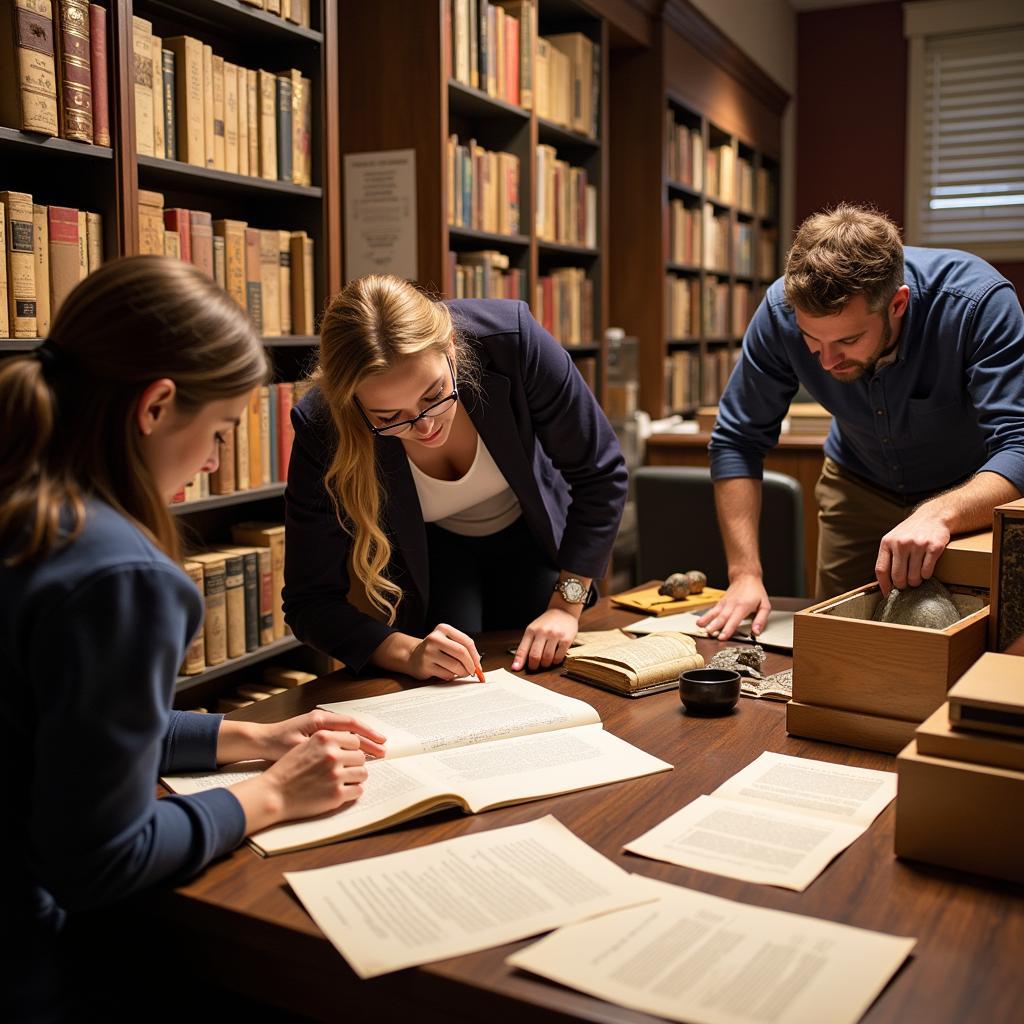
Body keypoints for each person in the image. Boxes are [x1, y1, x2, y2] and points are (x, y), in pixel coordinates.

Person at [0, 257, 386, 1022]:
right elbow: (100, 862)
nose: (213, 462)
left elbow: (57, 722)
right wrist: (272, 793)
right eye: (218, 432)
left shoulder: (25, 505)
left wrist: (249, 736)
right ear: (156, 406)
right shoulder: (120, 577)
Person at [698, 203, 1024, 641]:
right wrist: (743, 574)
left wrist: (940, 513)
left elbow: (1019, 446)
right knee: (837, 645)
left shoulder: (977, 304)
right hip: (857, 484)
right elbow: (736, 440)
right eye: (811, 340)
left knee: (966, 641)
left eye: (848, 340)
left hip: (971, 495)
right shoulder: (778, 311)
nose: (827, 361)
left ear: (897, 304)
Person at [283, 275, 628, 677]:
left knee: (549, 667)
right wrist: (405, 651)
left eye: (434, 396)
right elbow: (310, 602)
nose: (424, 427)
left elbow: (600, 473)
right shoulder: (323, 424)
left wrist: (567, 605)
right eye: (388, 418)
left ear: (450, 348)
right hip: (431, 559)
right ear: (353, 404)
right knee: (451, 674)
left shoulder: (511, 341)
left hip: (532, 537)